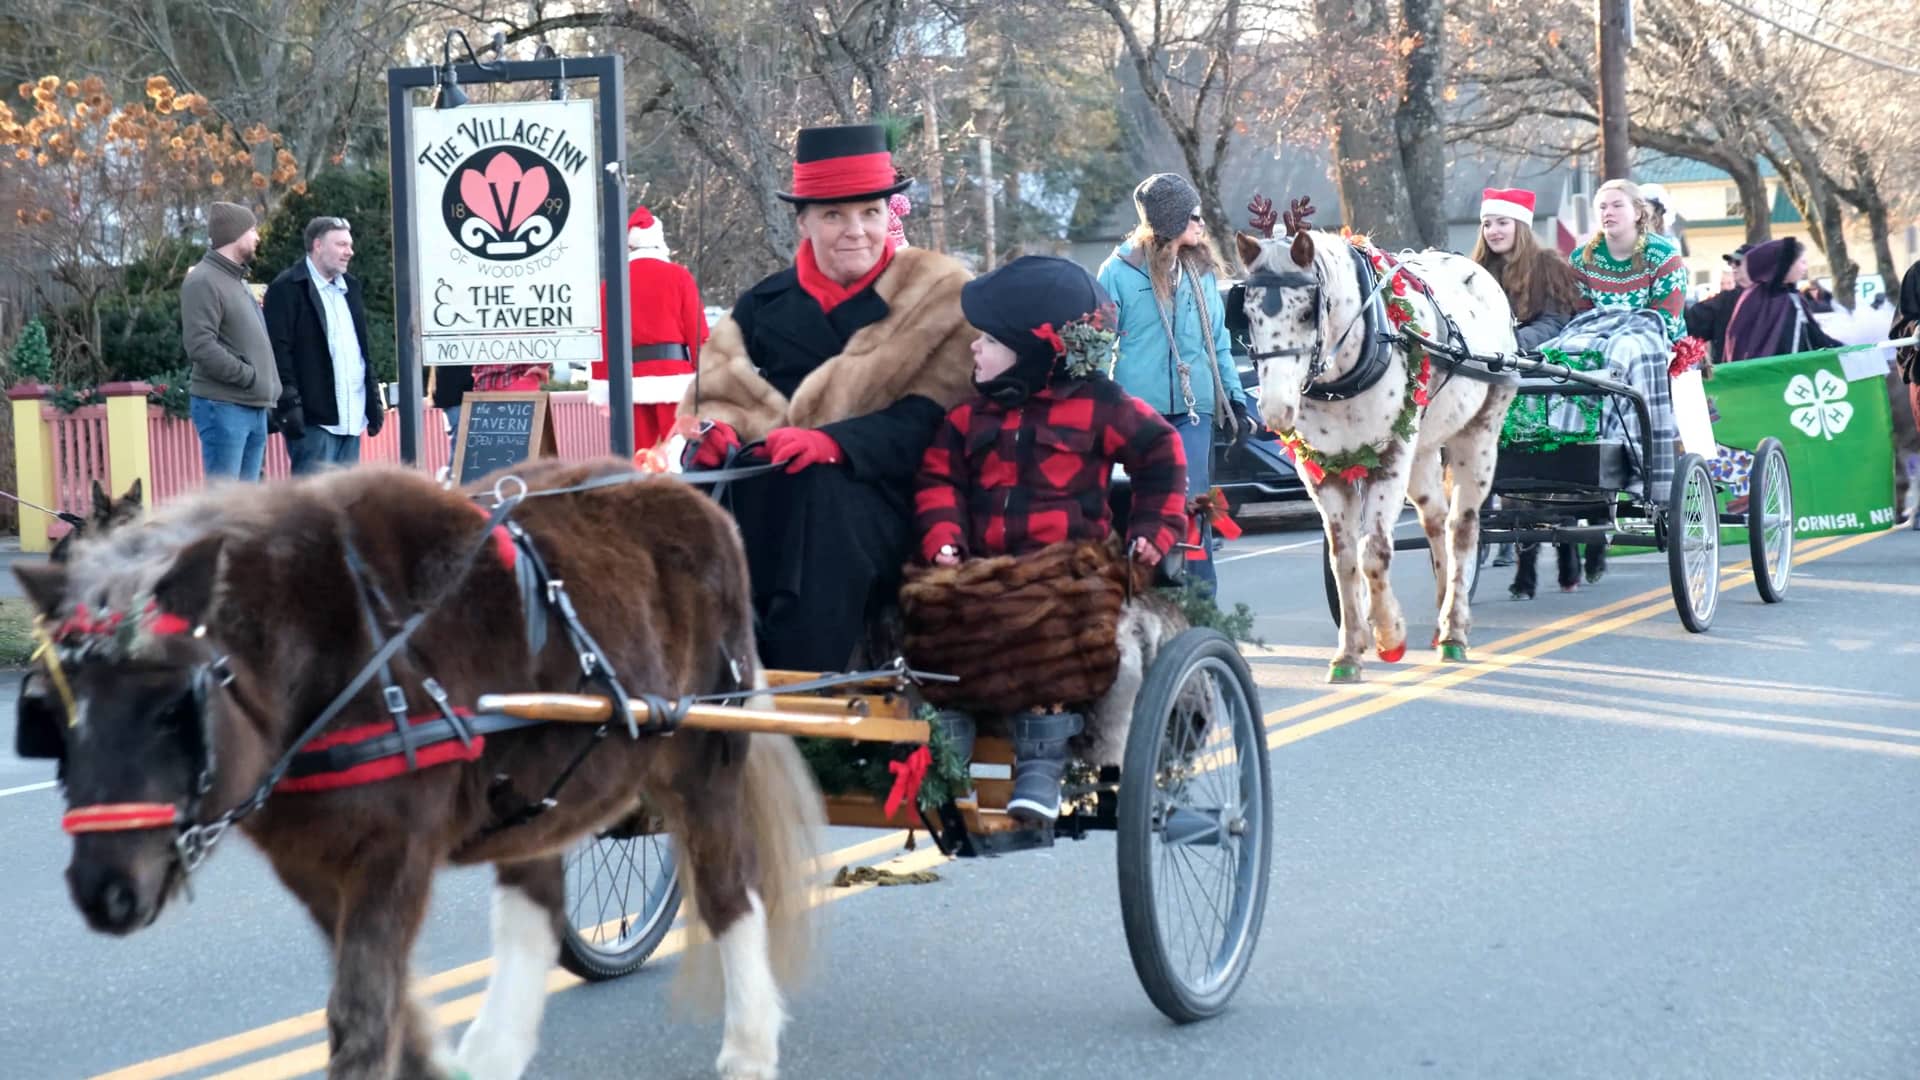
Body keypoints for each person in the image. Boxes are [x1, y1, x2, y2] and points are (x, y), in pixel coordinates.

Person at [677, 122, 975, 672]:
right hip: (772, 487)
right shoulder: (764, 304)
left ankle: (807, 685)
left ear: (889, 216)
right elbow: (716, 395)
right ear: (805, 220)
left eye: (869, 213)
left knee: (820, 498)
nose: (855, 231)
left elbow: (936, 418)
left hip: (895, 497)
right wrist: (714, 430)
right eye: (834, 215)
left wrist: (834, 443)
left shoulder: (939, 296)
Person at [914, 256, 1187, 822]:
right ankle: (949, 752)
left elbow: (1161, 455)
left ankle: (1042, 763)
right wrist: (943, 538)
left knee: (1062, 633)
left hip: (1067, 569)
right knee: (939, 622)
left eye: (988, 340)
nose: (974, 349)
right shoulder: (968, 420)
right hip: (983, 567)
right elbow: (939, 479)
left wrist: (1151, 532)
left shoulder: (1099, 407)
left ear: (1036, 353)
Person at [1098, 173, 1255, 592]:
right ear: (1168, 221)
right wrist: (1092, 408)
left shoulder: (1200, 272)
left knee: (1193, 504)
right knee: (1144, 506)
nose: (1201, 223)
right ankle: (1144, 593)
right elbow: (1098, 345)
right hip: (1138, 415)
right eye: (1193, 215)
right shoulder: (1117, 274)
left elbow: (1217, 341)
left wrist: (1235, 402)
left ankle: (1202, 598)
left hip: (1193, 411)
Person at [1471, 187, 1583, 584]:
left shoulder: (1548, 266)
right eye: (1487, 224)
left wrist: (1513, 345)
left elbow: (1555, 323)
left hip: (1533, 367)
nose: (1494, 231)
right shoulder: (1473, 273)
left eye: (1502, 222)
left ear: (1520, 226)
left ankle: (1564, 543)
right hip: (1483, 373)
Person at [264, 216, 384, 474]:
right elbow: (277, 352)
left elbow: (361, 351)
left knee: (347, 506)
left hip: (352, 418)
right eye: (341, 244)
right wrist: (289, 404)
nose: (349, 251)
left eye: (349, 245)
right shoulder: (286, 288)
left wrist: (373, 402)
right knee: (313, 507)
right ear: (318, 245)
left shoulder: (350, 287)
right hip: (313, 420)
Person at [594, 205, 708, 452]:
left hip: (628, 381)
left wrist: (603, 385)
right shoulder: (679, 276)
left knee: (638, 458)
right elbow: (698, 333)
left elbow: (601, 340)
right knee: (680, 455)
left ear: (629, 246)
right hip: (675, 378)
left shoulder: (611, 284)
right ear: (659, 243)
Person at [180, 200, 280, 481]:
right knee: (225, 507)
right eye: (252, 230)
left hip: (252, 407)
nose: (257, 237)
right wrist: (248, 376)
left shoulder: (236, 281)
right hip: (224, 406)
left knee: (245, 507)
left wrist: (270, 386)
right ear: (234, 234)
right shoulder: (203, 280)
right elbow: (200, 345)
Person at [1723, 236, 1844, 363]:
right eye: (1802, 262)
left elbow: (1816, 337)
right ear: (1786, 264)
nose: (1805, 268)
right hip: (1774, 376)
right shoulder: (1761, 298)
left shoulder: (1789, 297)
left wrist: (1844, 348)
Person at [1685, 243, 1754, 362]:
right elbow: (1691, 323)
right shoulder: (1724, 300)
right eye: (1730, 262)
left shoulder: (1776, 299)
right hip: (1732, 374)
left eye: (1738, 262)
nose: (1733, 266)